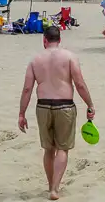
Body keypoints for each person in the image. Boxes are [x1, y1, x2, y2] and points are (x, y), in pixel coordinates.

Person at [18, 26, 95, 201]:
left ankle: (49, 184)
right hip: (65, 106)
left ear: (44, 40)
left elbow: (27, 89)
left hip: (43, 107)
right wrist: (90, 104)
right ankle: (55, 188)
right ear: (59, 40)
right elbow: (80, 84)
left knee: (48, 149)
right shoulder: (69, 57)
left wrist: (21, 114)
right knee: (62, 148)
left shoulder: (35, 60)